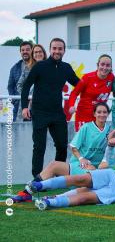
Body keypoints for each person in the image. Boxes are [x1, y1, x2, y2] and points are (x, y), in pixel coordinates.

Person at [12, 103, 111, 203]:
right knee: (54, 165)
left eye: (104, 112)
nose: (102, 114)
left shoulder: (111, 130)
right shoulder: (86, 127)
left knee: (91, 184)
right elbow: (73, 146)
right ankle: (26, 193)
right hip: (80, 165)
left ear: (108, 114)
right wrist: (81, 159)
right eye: (99, 112)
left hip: (96, 171)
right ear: (94, 114)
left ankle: (56, 198)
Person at [28, 141, 115, 210]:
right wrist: (110, 146)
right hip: (113, 175)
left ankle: (48, 203)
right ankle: (39, 185)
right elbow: (113, 162)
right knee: (80, 179)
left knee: (84, 197)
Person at [21, 38, 80, 178]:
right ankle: (37, 179)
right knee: (39, 147)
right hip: (39, 112)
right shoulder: (40, 66)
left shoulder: (66, 68)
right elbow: (26, 86)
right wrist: (24, 107)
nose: (57, 51)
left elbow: (80, 84)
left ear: (64, 50)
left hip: (57, 113)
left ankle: (58, 176)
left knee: (61, 146)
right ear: (50, 49)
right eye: (54, 48)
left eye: (60, 49)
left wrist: (98, 81)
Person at [68, 54, 114, 131]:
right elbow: (74, 93)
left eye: (108, 65)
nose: (105, 68)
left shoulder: (111, 78)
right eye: (102, 64)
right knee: (83, 142)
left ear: (110, 67)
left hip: (100, 117)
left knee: (97, 142)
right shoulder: (87, 77)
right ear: (97, 65)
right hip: (83, 116)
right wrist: (71, 105)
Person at [16, 44, 47, 121]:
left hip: (44, 105)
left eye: (40, 52)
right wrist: (27, 97)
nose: (38, 54)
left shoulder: (49, 67)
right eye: (35, 52)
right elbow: (19, 85)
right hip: (27, 105)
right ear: (32, 55)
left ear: (44, 53)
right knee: (24, 128)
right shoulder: (27, 67)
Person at [7, 41, 33, 121]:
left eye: (27, 49)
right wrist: (15, 100)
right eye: (23, 50)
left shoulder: (38, 65)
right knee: (18, 130)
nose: (25, 52)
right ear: (20, 52)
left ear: (32, 50)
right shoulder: (15, 68)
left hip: (35, 105)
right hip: (19, 107)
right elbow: (10, 86)